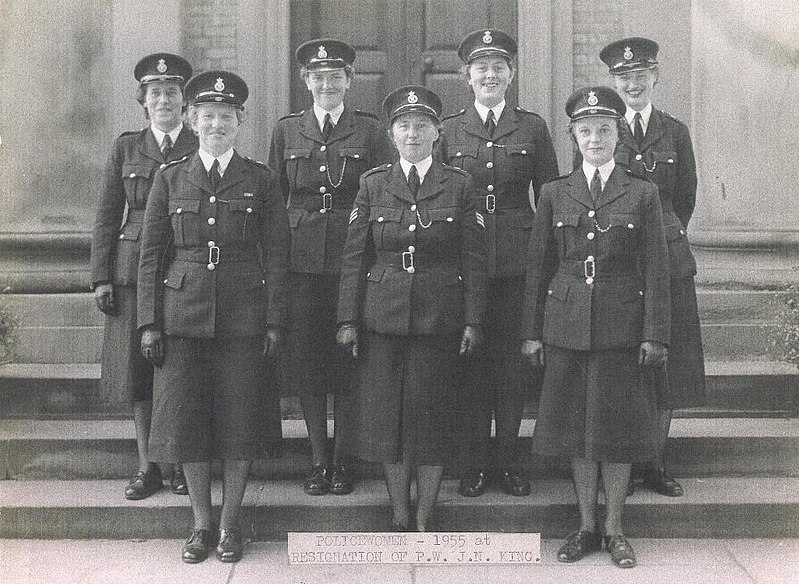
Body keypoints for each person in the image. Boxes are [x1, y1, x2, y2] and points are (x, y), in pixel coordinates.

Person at [137, 70, 289, 563]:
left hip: (244, 318)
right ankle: (200, 525)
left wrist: (273, 321)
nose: (216, 124)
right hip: (182, 317)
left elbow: (279, 254)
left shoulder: (261, 180)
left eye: (226, 116)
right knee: (188, 423)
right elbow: (151, 255)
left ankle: (230, 525)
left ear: (240, 122)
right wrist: (148, 322)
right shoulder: (170, 177)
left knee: (239, 421)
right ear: (191, 119)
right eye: (207, 116)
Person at [521, 86, 670, 568]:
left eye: (604, 130)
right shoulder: (553, 192)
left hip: (621, 325)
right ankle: (585, 525)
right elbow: (538, 268)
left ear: (618, 135)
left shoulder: (642, 193)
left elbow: (656, 269)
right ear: (573, 137)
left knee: (617, 428)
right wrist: (531, 331)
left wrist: (655, 333)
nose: (595, 138)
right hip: (565, 325)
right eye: (585, 131)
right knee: (576, 430)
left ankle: (616, 529)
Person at [336, 86, 487, 531]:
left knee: (432, 413)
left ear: (438, 133)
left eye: (422, 126)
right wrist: (347, 318)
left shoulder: (459, 184)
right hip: (382, 316)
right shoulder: (373, 184)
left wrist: (474, 319)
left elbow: (473, 259)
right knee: (389, 417)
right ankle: (399, 509)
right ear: (391, 134)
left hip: (440, 315)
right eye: (404, 126)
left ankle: (426, 512)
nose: (413, 134)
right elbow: (354, 257)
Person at [437, 29, 559, 498]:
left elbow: (549, 196)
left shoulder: (532, 128)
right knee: (469, 365)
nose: (490, 75)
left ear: (511, 74)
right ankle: (471, 463)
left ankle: (507, 462)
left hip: (516, 261)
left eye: (499, 67)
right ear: (466, 75)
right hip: (462, 262)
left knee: (511, 367)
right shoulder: (448, 128)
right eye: (480, 68)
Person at [268, 39, 394, 496]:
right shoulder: (287, 131)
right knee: (307, 363)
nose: (326, 84)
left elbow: (386, 193)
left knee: (348, 361)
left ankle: (344, 460)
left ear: (349, 81)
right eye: (318, 77)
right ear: (306, 81)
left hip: (352, 257)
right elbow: (273, 201)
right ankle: (318, 459)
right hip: (302, 263)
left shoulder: (370, 130)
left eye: (335, 77)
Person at [598, 37, 706, 497]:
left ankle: (655, 463)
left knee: (669, 361)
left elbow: (685, 197)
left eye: (640, 74)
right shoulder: (600, 129)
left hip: (669, 260)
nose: (632, 83)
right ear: (613, 82)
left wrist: (662, 240)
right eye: (623, 77)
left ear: (656, 75)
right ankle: (620, 456)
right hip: (618, 262)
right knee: (622, 362)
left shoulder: (674, 131)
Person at [90, 53, 196, 500]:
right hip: (133, 271)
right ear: (144, 101)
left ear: (185, 101)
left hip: (184, 269)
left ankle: (175, 463)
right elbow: (107, 214)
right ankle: (146, 464)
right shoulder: (127, 147)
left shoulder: (201, 141)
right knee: (139, 372)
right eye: (156, 93)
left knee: (176, 369)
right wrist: (101, 277)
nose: (165, 100)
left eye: (172, 92)